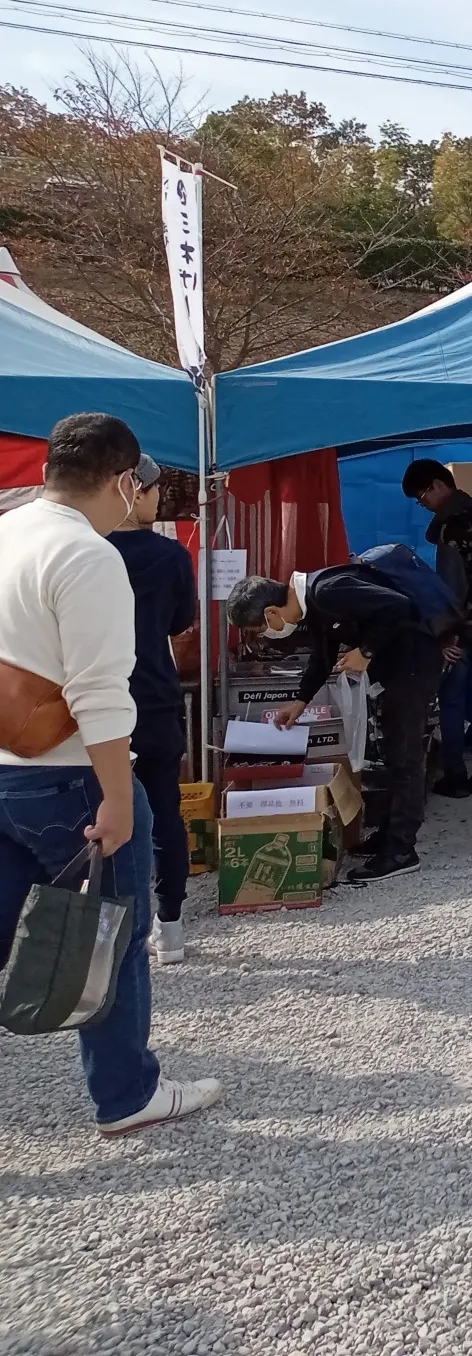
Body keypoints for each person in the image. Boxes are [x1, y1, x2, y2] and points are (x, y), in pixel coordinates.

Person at [0, 413, 221, 1135]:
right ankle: (126, 1095)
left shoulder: (8, 531)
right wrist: (119, 799)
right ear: (126, 481)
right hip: (73, 775)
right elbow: (99, 692)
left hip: (7, 768)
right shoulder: (88, 554)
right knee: (114, 931)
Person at [227, 547, 448, 883]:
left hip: (413, 665)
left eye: (260, 629)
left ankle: (401, 851)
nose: (265, 635)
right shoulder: (313, 604)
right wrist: (300, 701)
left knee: (404, 757)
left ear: (271, 612)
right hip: (395, 669)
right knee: (391, 754)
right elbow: (323, 656)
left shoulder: (327, 590)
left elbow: (400, 606)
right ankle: (390, 834)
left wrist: (366, 651)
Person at [107, 453, 199, 964]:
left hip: (90, 703)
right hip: (154, 695)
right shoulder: (169, 556)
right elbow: (179, 622)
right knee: (164, 808)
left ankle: (109, 930)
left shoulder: (85, 549)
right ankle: (171, 926)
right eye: (156, 490)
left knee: (95, 812)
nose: (160, 499)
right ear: (134, 489)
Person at [401, 460, 472, 798]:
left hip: (459, 630)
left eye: (422, 497)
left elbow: (451, 588)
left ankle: (456, 775)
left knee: (453, 701)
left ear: (437, 485)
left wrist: (445, 635)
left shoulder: (450, 529)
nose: (424, 505)